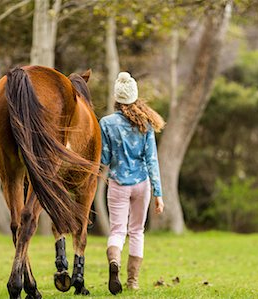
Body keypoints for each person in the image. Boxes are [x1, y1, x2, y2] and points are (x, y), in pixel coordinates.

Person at [99, 71, 165, 295]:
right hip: (142, 183)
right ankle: (132, 282)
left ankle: (114, 262)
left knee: (117, 230)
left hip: (118, 183)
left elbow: (105, 159)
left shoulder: (106, 123)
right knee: (137, 231)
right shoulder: (145, 123)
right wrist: (158, 194)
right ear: (135, 97)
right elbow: (151, 159)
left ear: (117, 98)